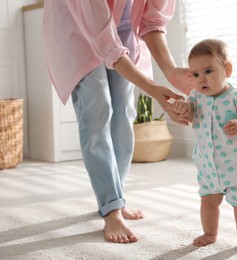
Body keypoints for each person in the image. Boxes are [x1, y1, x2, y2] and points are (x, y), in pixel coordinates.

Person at [43, 0, 193, 244]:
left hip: (123, 24)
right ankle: (111, 208)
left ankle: (116, 196)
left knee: (124, 110)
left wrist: (172, 72)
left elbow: (152, 21)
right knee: (96, 108)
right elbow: (106, 43)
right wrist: (153, 88)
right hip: (77, 23)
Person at [173, 39, 237, 253]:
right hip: (208, 167)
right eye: (195, 74)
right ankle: (210, 233)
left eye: (208, 71)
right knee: (208, 202)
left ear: (227, 70)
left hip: (236, 167)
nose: (201, 79)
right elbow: (190, 114)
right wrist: (183, 107)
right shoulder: (195, 97)